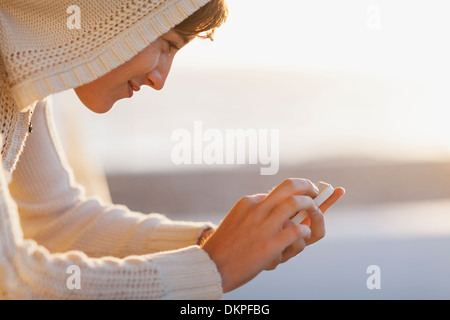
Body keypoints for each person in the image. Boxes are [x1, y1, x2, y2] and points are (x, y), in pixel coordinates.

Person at [0, 0, 345, 299]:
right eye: (166, 44)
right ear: (106, 13)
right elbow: (10, 283)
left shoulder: (23, 78)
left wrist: (215, 243)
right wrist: (213, 267)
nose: (160, 80)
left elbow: (56, 222)